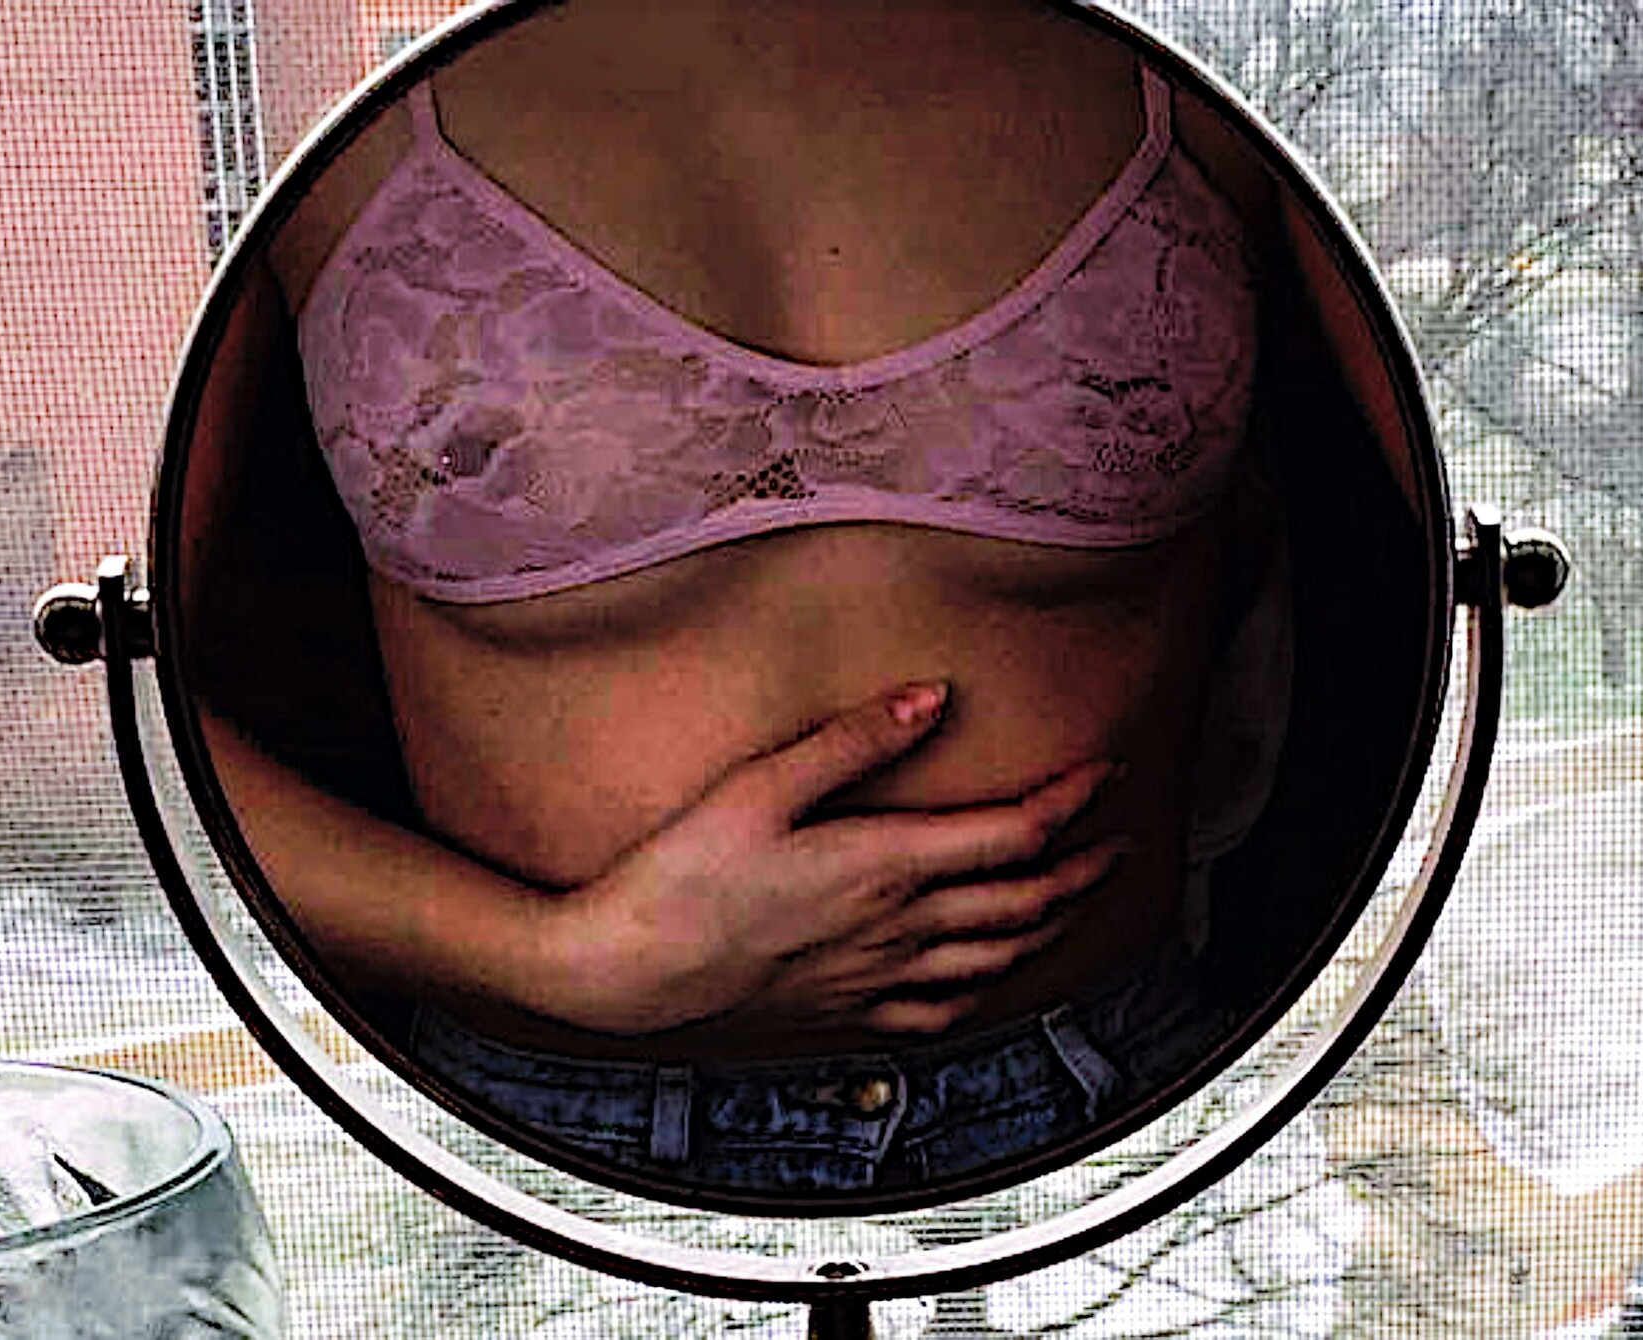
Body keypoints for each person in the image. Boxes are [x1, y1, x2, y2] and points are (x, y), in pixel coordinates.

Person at [181, 0, 1298, 1196]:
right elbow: (115, 706)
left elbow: (1444, 542)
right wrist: (555, 958)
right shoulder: (315, 114)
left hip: (1122, 1121)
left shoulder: (1205, 68)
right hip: (533, 1150)